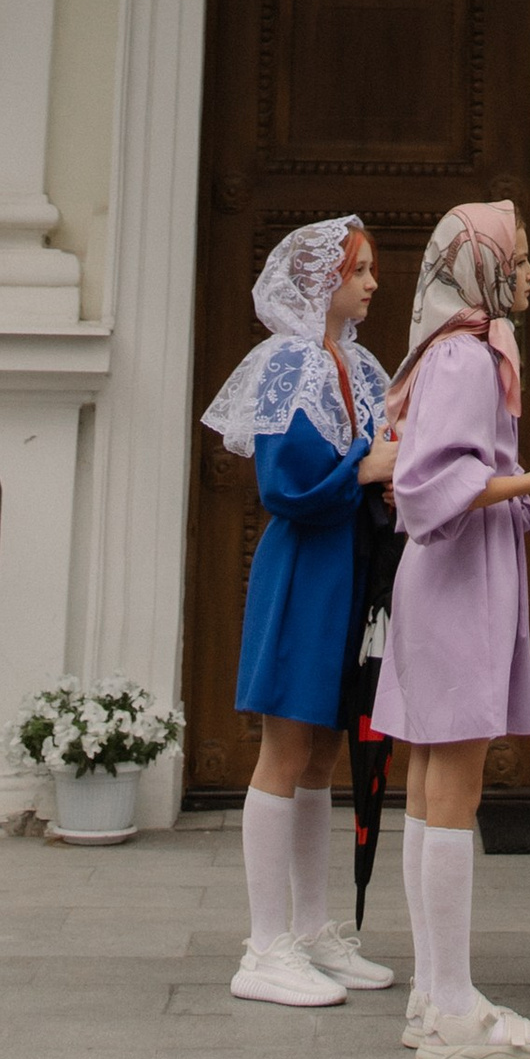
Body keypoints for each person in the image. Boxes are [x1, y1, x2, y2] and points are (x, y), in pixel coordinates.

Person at [374, 201, 530, 1059]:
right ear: (483, 265)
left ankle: (434, 991)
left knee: (430, 784)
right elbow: (431, 484)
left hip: (440, 579)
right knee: (452, 789)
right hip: (458, 576)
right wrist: (527, 480)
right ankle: (456, 1008)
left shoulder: (448, 348)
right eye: (521, 259)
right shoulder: (468, 354)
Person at [200, 215, 400, 1008]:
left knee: (321, 754)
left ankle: (313, 929)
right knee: (285, 749)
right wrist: (365, 463)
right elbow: (283, 483)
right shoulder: (288, 361)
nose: (372, 281)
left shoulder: (355, 362)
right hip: (305, 568)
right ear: (324, 281)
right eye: (360, 269)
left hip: (346, 566)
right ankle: (264, 942)